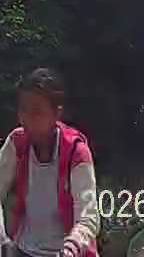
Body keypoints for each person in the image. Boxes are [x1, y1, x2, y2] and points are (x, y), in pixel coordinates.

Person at [0, 68, 99, 257]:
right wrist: (3, 241)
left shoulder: (76, 151)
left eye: (37, 111)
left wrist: (72, 246)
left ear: (56, 114)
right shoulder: (16, 143)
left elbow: (88, 217)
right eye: (23, 109)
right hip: (23, 250)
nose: (27, 118)